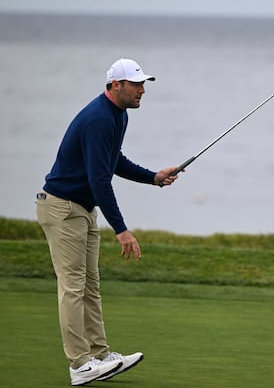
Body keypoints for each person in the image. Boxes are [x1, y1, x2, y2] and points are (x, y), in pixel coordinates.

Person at [36, 58, 179, 386]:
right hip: (62, 208)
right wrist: (122, 230)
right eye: (136, 84)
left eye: (144, 84)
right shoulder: (100, 118)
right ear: (116, 85)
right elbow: (99, 179)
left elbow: (113, 161)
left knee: (90, 286)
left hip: (81, 208)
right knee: (73, 287)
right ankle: (79, 365)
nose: (143, 90)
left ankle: (100, 355)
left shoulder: (119, 115)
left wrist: (153, 177)